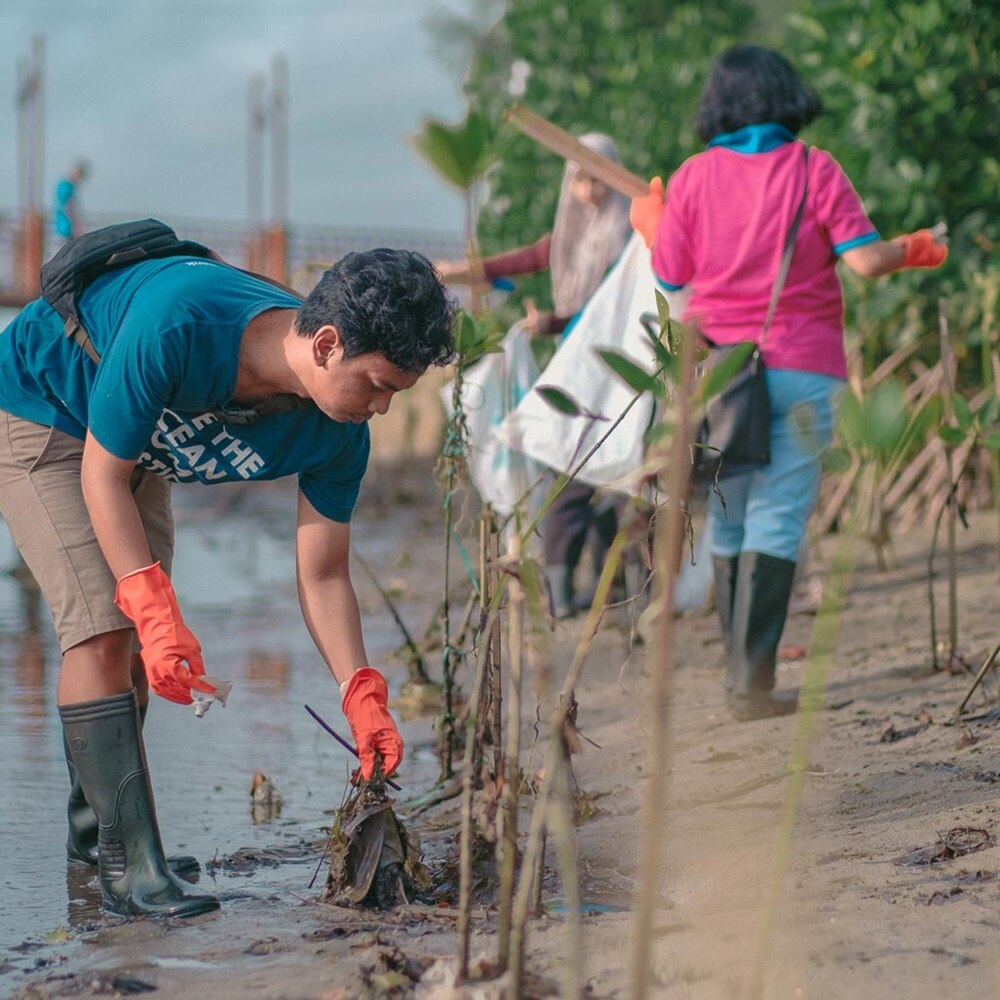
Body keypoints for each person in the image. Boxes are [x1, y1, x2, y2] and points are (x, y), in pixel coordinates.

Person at [0, 244, 456, 917]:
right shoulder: (179, 325)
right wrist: (153, 608)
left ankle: (102, 842)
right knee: (104, 627)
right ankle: (131, 872)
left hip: (138, 444)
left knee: (132, 645)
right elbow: (100, 475)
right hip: (48, 407)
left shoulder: (339, 431)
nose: (383, 408)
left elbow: (324, 572)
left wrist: (361, 690)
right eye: (379, 384)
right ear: (327, 345)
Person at [630, 44, 947, 721]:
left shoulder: (691, 176)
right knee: (778, 515)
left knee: (732, 514)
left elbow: (670, 281)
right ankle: (753, 687)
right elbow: (864, 264)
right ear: (785, 96)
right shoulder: (813, 168)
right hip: (804, 366)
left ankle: (738, 683)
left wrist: (655, 226)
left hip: (720, 376)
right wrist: (915, 248)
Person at [436, 133, 632, 617]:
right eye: (580, 180)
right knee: (583, 474)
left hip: (620, 368)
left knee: (592, 473)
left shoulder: (626, 236)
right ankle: (579, 590)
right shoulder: (571, 233)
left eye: (598, 180)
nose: (588, 192)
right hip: (576, 366)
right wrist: (461, 272)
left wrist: (553, 323)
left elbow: (610, 309)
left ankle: (594, 588)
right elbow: (526, 259)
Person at [53, 160, 90, 240]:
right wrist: (77, 224)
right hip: (67, 227)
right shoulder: (68, 186)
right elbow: (69, 206)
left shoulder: (63, 185)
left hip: (61, 226)